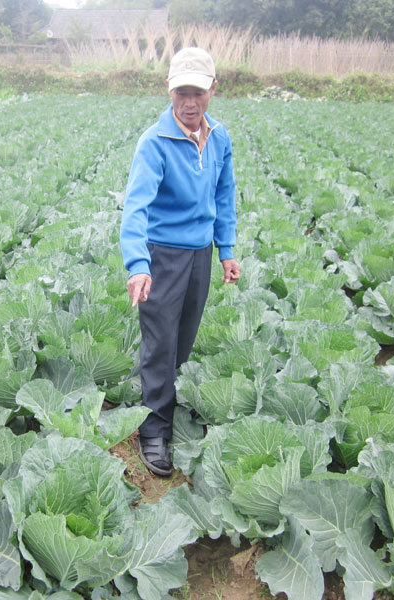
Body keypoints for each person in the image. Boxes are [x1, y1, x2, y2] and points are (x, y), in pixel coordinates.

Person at [120, 47, 240, 477]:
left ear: (213, 90)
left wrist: (225, 249)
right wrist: (138, 264)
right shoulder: (155, 143)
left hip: (199, 255)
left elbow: (224, 195)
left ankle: (160, 392)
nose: (189, 103)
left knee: (183, 338)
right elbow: (135, 208)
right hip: (162, 255)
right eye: (181, 93)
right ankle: (154, 429)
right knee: (160, 341)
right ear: (168, 90)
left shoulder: (219, 137)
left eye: (198, 93)